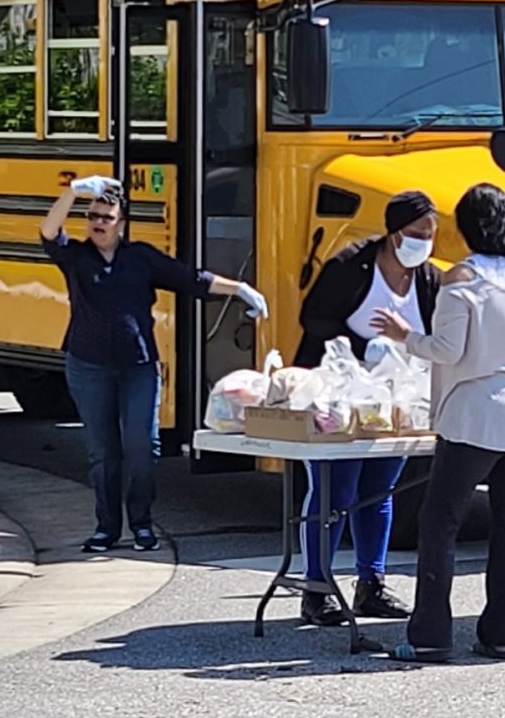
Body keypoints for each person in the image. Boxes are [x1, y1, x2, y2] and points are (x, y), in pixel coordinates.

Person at [372, 184, 505, 663]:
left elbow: (447, 350)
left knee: (441, 521)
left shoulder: (463, 278)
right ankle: (503, 634)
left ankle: (431, 635)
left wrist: (406, 336)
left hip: (474, 412)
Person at [42, 175, 269, 554]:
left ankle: (143, 524)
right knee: (103, 451)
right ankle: (106, 528)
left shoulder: (140, 258)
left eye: (107, 217)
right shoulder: (77, 257)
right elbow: (49, 233)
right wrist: (73, 191)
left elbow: (191, 279)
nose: (98, 223)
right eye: (93, 216)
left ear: (122, 223)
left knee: (143, 447)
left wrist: (241, 289)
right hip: (89, 365)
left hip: (138, 365)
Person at [293, 190, 441, 626]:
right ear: (395, 234)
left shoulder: (428, 278)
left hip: (392, 401)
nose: (425, 243)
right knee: (334, 492)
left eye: (431, 235)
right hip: (336, 397)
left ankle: (370, 584)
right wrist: (363, 348)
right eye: (417, 234)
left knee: (378, 491)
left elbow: (431, 332)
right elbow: (313, 319)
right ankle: (316, 588)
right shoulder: (351, 266)